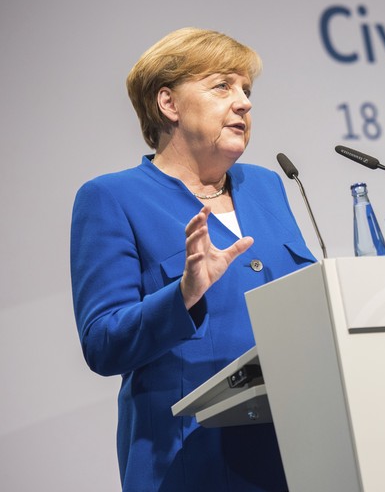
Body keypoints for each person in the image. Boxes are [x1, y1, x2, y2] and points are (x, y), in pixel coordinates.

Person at [70, 28, 315, 491]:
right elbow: (102, 343)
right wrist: (183, 295)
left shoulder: (265, 186)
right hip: (188, 463)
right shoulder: (112, 198)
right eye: (223, 85)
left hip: (298, 456)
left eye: (247, 90)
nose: (243, 102)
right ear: (169, 104)